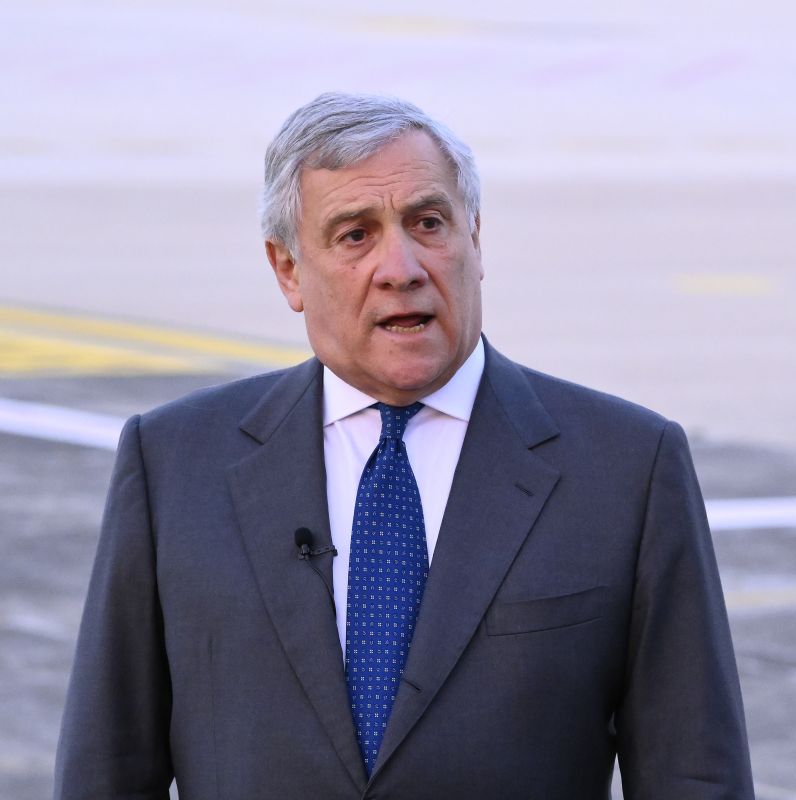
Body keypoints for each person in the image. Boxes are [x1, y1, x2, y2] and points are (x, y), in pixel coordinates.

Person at [54, 92, 754, 799]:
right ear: (288, 269)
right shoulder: (174, 463)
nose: (402, 267)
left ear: (475, 238)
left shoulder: (628, 467)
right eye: (355, 235)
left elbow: (696, 776)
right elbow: (105, 771)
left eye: (428, 223)